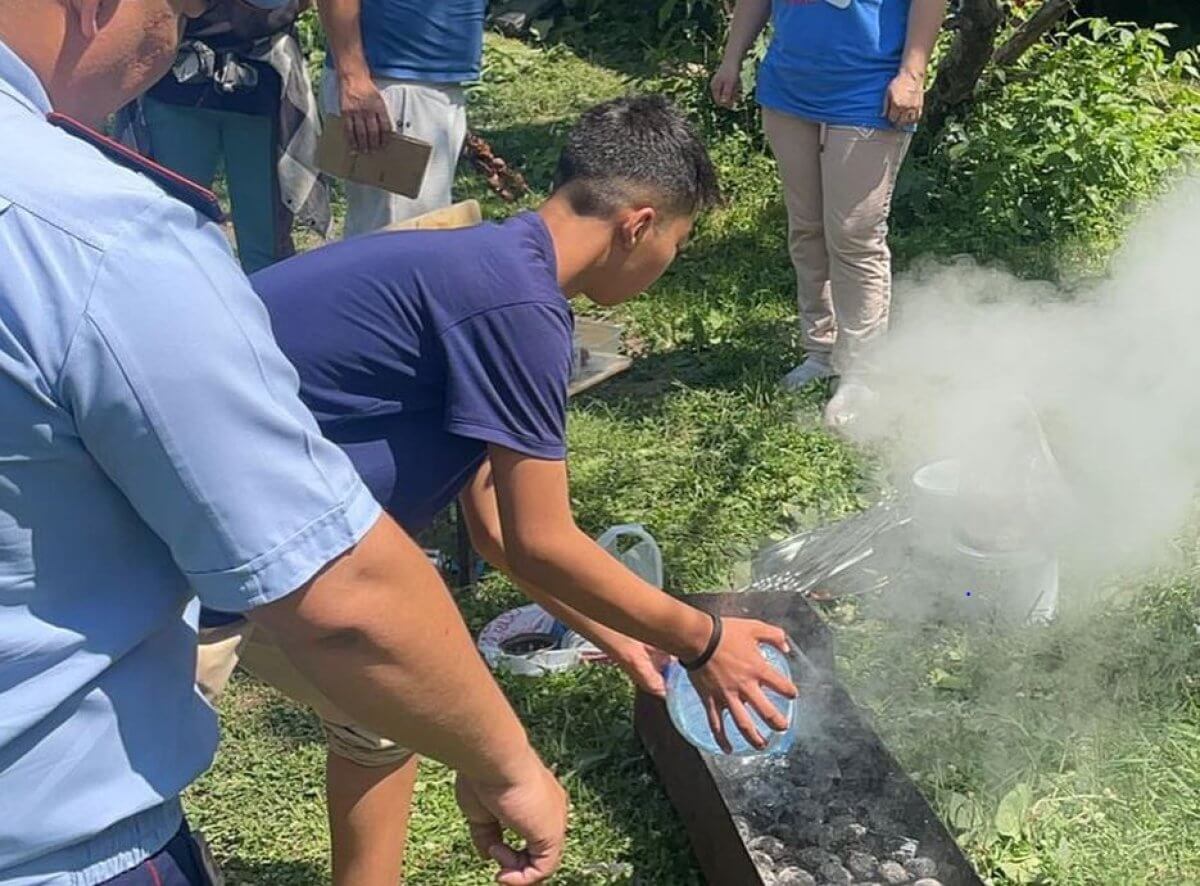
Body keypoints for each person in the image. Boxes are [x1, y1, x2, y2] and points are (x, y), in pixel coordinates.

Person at [0, 2, 566, 885]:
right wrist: (508, 763)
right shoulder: (97, 234)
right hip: (50, 844)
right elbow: (341, 599)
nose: (183, 20)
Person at [197, 94, 799, 886]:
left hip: (272, 537)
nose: (666, 266)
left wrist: (628, 641)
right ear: (639, 224)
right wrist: (705, 640)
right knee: (94, 778)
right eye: (677, 245)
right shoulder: (518, 308)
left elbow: (501, 533)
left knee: (389, 714)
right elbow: (546, 540)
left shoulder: (490, 271)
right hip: (182, 547)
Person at [711, 0, 947, 428]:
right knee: (807, 227)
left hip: (869, 89)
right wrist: (732, 59)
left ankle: (862, 373)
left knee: (855, 234)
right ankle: (820, 352)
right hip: (789, 87)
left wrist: (912, 75)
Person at [129, 0, 330, 273]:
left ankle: (264, 310)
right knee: (173, 229)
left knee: (264, 245)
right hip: (177, 84)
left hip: (261, 84)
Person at [316, 0, 485, 234]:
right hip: (389, 85)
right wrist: (353, 77)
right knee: (398, 239)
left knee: (412, 237)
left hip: (429, 82)